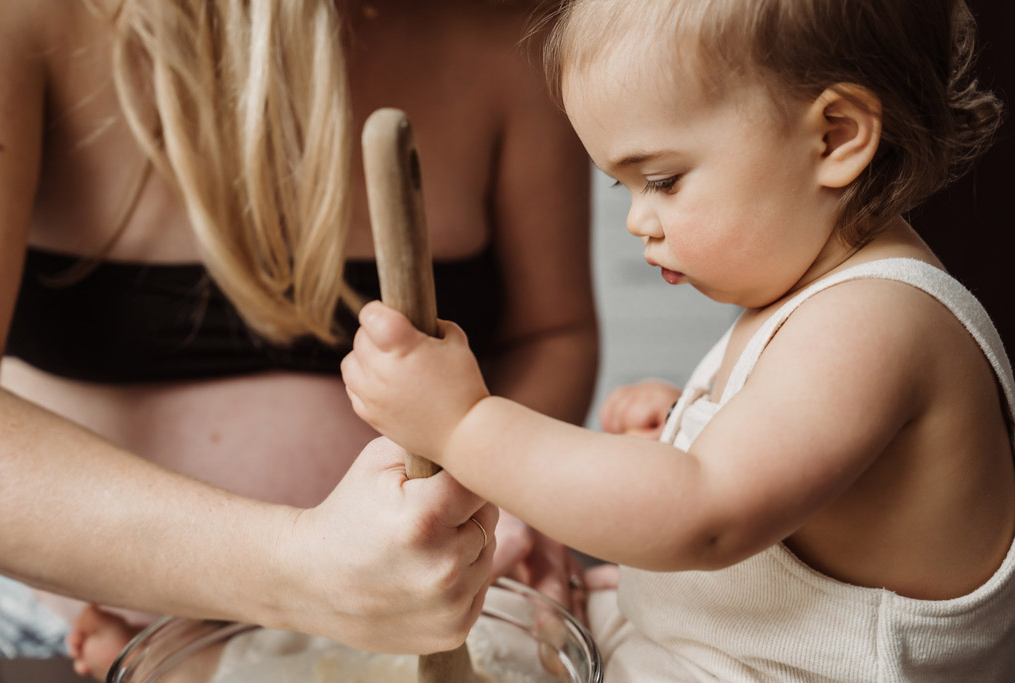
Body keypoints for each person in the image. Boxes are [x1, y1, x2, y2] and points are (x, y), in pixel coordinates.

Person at [342, 0, 1015, 679]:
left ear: (835, 137)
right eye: (624, 185)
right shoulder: (812, 293)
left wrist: (461, 424)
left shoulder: (878, 320)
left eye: (662, 179)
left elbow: (703, 511)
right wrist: (685, 428)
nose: (639, 219)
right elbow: (771, 491)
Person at [0, 0, 598, 674]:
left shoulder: (511, 24)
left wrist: (497, 510)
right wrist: (302, 570)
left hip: (443, 618)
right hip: (63, 630)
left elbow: (552, 332)